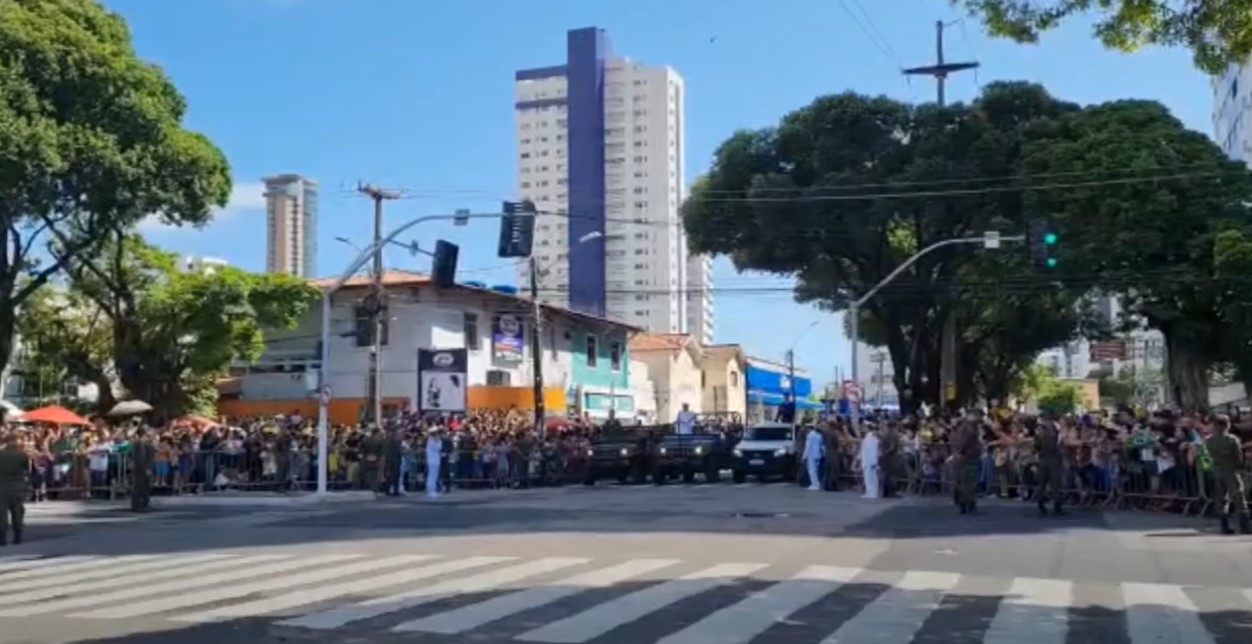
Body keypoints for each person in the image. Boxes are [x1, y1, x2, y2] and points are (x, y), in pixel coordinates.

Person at [1205, 414, 1249, 535]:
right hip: (1231, 470)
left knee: (1222, 499)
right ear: (1225, 425)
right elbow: (1238, 457)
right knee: (1239, 497)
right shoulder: (1232, 439)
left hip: (1218, 471)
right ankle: (1244, 526)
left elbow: (1209, 456)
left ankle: (1224, 526)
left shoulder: (1209, 440)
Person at [0, 431, 28, 546]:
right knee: (17, 512)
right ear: (16, 441)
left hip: (2, 487)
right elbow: (26, 468)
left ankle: (2, 538)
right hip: (18, 487)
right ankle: (18, 536)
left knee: (2, 514)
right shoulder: (22, 455)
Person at [1034, 418, 1064, 516]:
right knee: (1055, 484)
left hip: (1043, 460)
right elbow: (1059, 447)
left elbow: (1036, 447)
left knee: (1041, 484)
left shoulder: (1040, 435)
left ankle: (1040, 504)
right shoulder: (1055, 436)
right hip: (1053, 460)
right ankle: (1056, 507)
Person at [952, 419, 981, 515]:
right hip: (968, 457)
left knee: (962, 481)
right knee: (968, 482)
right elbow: (963, 443)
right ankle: (968, 504)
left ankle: (963, 504)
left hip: (963, 457)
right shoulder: (968, 429)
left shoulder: (962, 429)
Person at [129, 428, 155, 512]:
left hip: (143, 468)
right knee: (139, 486)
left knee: (145, 486)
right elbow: (141, 458)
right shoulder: (140, 444)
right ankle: (138, 504)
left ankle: (142, 503)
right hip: (141, 468)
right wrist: (147, 468)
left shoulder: (146, 444)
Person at [859, 424, 881, 498]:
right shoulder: (868, 438)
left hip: (870, 461)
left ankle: (872, 493)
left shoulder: (871, 438)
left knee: (871, 477)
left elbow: (873, 451)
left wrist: (874, 461)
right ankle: (869, 492)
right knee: (868, 477)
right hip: (867, 460)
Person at [802, 425, 824, 491]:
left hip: (811, 454)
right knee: (816, 470)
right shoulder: (819, 435)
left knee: (812, 470)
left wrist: (804, 456)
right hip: (818, 454)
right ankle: (817, 484)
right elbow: (822, 446)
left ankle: (814, 485)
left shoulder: (810, 436)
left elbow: (807, 447)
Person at [424, 426, 443, 499]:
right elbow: (438, 448)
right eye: (437, 434)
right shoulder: (431, 441)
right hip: (432, 461)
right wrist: (438, 441)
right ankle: (430, 491)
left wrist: (438, 441)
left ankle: (433, 490)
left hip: (436, 460)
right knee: (431, 476)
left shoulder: (435, 441)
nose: (438, 435)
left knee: (435, 476)